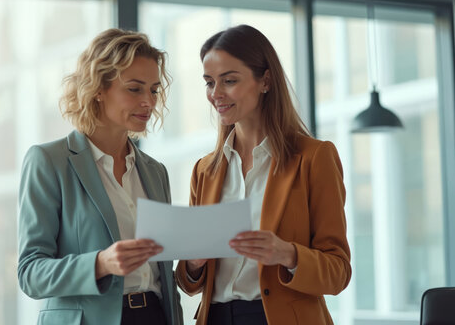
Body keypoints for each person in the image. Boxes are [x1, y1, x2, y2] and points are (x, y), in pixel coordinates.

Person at [176, 24, 351, 325]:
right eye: (209, 82)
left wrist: (288, 254)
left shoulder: (313, 158)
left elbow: (338, 272)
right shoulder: (205, 170)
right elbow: (188, 281)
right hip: (215, 317)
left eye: (229, 80)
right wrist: (192, 263)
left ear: (265, 81)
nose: (216, 94)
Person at [18, 28, 182, 325]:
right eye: (135, 89)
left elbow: (163, 275)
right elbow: (30, 273)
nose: (149, 101)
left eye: (154, 90)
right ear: (98, 88)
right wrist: (100, 263)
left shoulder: (156, 172)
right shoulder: (49, 162)